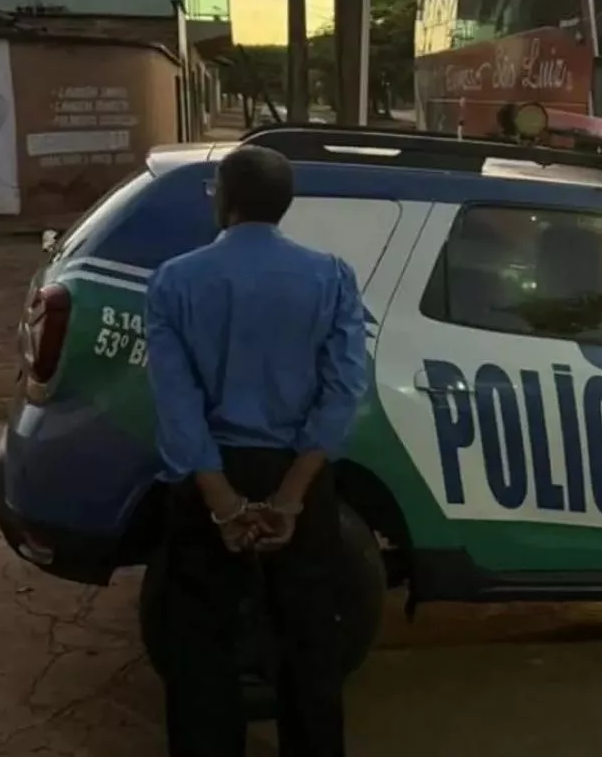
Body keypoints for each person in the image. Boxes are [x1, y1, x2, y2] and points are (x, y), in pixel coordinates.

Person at [144, 145, 368, 757]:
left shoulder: (175, 281)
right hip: (298, 478)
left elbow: (175, 400)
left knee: (199, 642)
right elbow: (346, 388)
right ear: (284, 205)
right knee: (310, 639)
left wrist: (220, 501)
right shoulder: (331, 277)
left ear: (224, 199)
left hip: (207, 479)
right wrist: (291, 498)